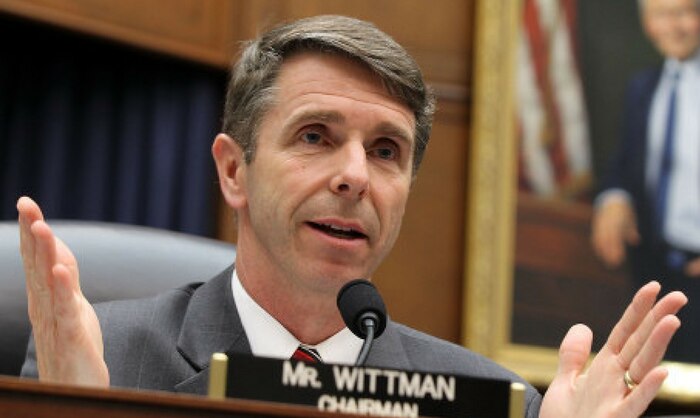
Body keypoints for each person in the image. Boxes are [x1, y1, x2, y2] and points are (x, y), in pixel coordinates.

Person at [17, 15, 686, 418]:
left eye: (386, 151)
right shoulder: (103, 360)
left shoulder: (492, 401)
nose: (356, 176)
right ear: (233, 170)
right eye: (315, 136)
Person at [592, 0, 700, 362]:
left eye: (686, 11)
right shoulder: (643, 87)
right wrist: (615, 198)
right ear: (647, 23)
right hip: (653, 270)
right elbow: (623, 163)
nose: (675, 25)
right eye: (661, 14)